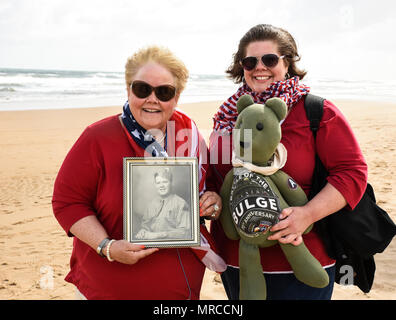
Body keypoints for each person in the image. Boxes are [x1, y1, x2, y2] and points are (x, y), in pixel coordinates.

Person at [209, 24, 368, 300]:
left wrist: (307, 215)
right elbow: (215, 177)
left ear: (287, 62)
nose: (259, 67)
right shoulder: (228, 117)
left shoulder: (316, 111)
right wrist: (212, 199)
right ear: (241, 66)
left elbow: (352, 173)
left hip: (303, 260)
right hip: (238, 263)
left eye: (269, 59)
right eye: (250, 61)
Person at [52, 45, 224, 300]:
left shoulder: (191, 139)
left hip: (180, 290)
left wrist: (213, 202)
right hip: (107, 288)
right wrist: (107, 247)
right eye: (143, 89)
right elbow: (67, 203)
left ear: (176, 97)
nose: (152, 99)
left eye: (164, 92)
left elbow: (211, 190)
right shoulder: (97, 137)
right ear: (128, 89)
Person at [135, 168, 190, 240]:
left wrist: (159, 235)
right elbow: (145, 226)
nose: (161, 186)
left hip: (172, 247)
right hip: (152, 246)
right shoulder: (151, 204)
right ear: (155, 185)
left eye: (165, 182)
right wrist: (143, 231)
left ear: (171, 183)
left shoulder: (181, 204)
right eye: (158, 183)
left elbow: (185, 233)